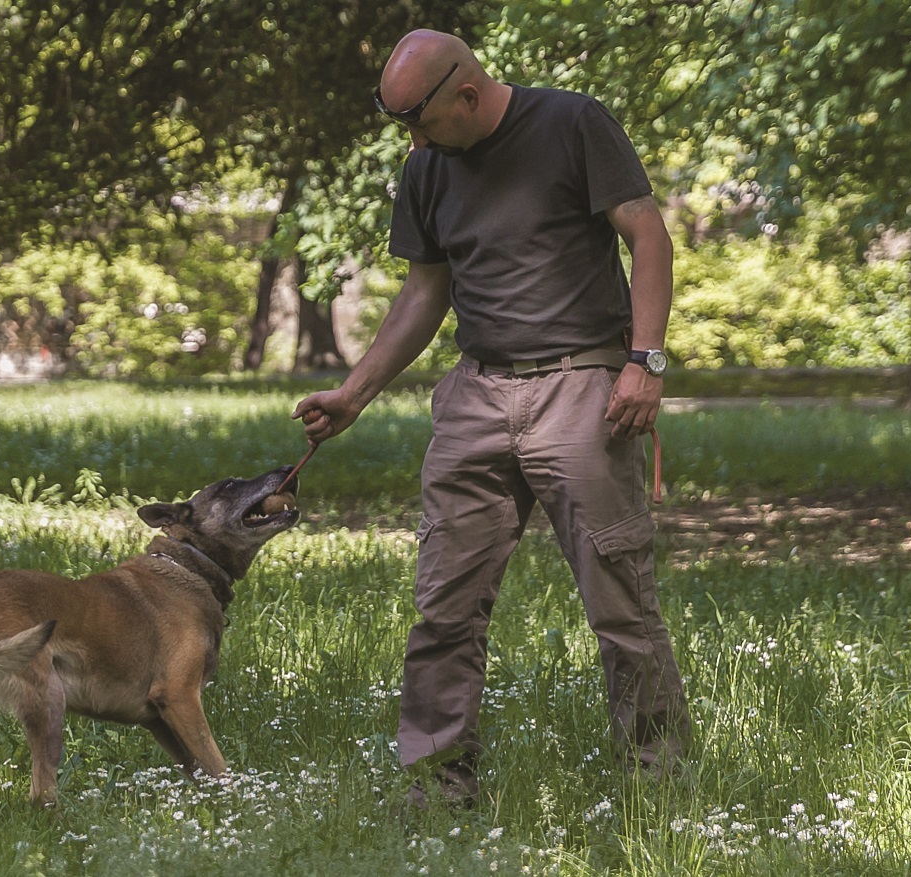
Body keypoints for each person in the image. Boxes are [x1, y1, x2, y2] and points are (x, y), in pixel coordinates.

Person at [292, 29, 691, 805]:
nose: (412, 142)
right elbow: (423, 292)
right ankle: (436, 784)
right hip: (475, 393)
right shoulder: (425, 168)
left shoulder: (572, 124)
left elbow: (647, 235)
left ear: (467, 94)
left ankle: (658, 781)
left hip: (580, 385)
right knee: (442, 603)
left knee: (619, 602)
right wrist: (354, 393)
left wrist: (644, 362)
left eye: (419, 122)